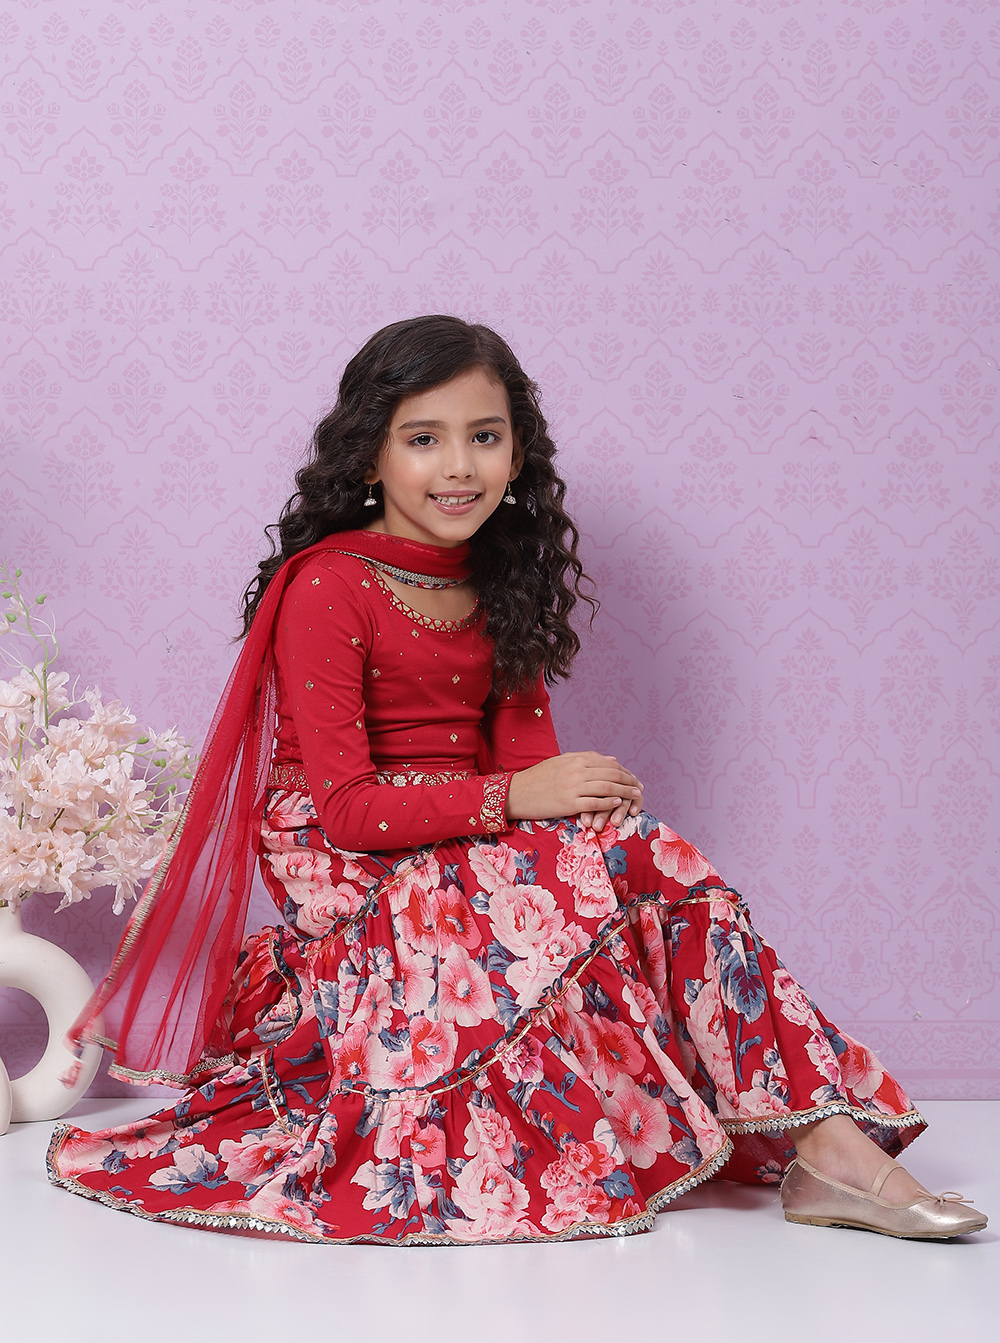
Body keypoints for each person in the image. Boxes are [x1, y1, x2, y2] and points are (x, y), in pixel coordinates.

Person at [48, 317, 986, 1244]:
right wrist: (522, 801)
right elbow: (349, 810)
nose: (459, 466)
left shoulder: (499, 579)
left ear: (518, 456)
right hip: (347, 860)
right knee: (625, 855)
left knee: (647, 854)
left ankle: (827, 1148)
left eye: (485, 437)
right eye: (424, 439)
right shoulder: (329, 584)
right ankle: (833, 1155)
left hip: (469, 840)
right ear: (370, 457)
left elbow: (530, 769)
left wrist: (583, 807)